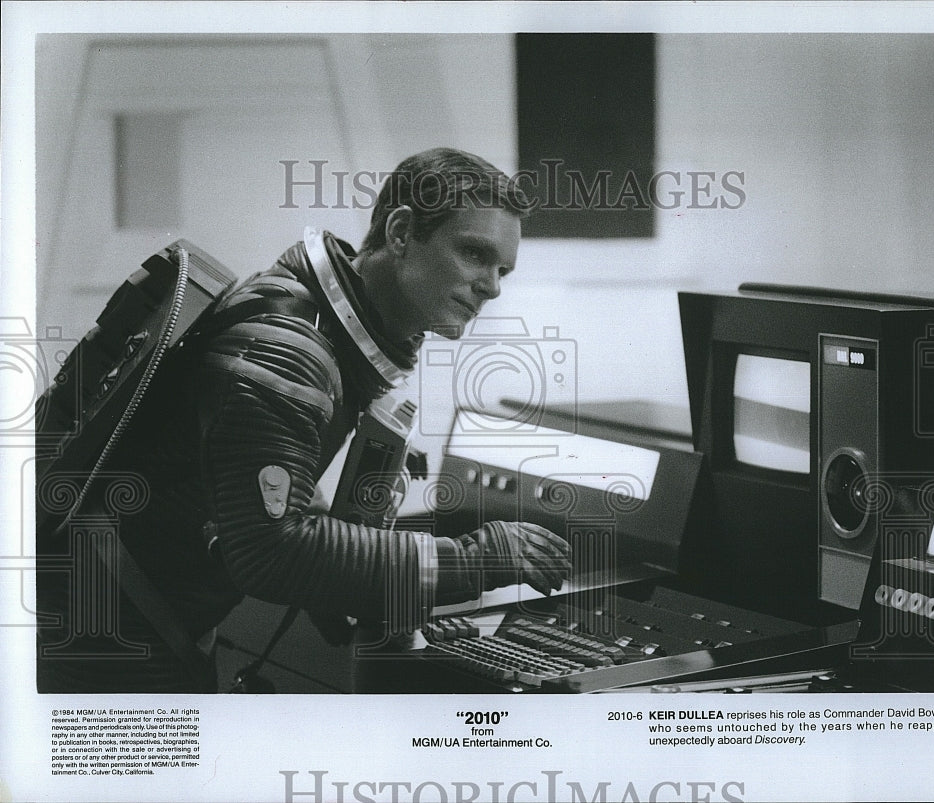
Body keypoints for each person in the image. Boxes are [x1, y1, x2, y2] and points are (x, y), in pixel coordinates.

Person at [35, 148, 572, 693]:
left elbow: (220, 485)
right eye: (474, 254)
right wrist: (477, 560)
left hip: (120, 623)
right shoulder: (287, 349)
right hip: (103, 646)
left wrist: (336, 574)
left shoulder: (299, 318)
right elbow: (269, 550)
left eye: (502, 269)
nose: (492, 285)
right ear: (403, 232)